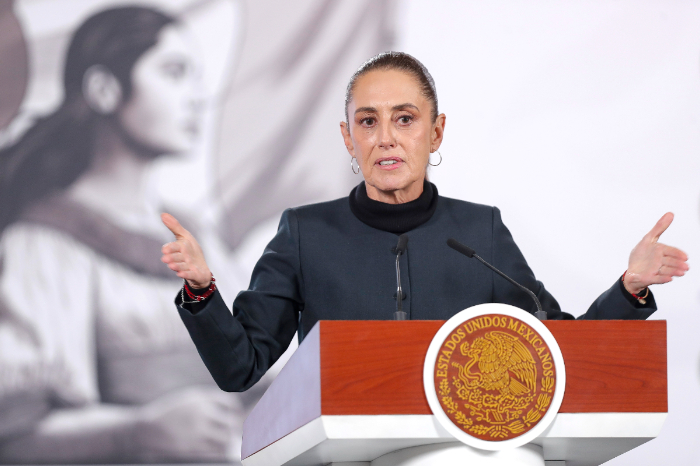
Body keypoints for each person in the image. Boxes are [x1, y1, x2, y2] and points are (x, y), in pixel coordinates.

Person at [160, 51, 689, 393]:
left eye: (405, 119)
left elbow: (558, 348)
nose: (385, 138)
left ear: (435, 132)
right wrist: (203, 291)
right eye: (368, 121)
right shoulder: (304, 234)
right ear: (348, 138)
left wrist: (629, 289)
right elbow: (241, 367)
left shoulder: (480, 232)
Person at [0, 6, 254, 463]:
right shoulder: (43, 246)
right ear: (104, 89)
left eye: (197, 77)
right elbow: (16, 435)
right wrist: (139, 431)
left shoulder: (196, 235)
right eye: (174, 73)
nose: (198, 97)